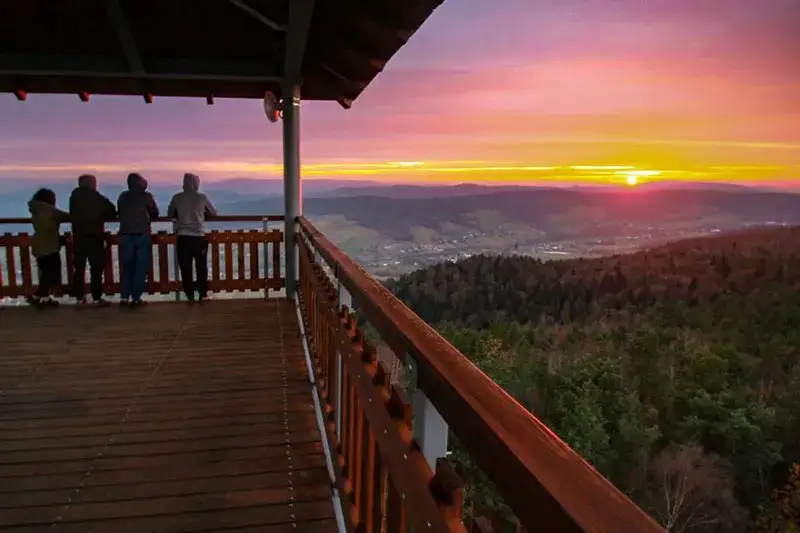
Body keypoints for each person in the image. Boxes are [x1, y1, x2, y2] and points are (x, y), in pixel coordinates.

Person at [167, 173, 217, 303]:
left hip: (182, 236)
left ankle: (189, 296)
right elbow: (214, 212)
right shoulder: (202, 198)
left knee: (185, 268)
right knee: (201, 267)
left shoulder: (177, 198)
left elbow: (170, 213)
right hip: (199, 237)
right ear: (196, 183)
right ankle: (202, 294)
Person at [68, 174, 116, 306]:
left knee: (79, 268)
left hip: (78, 237)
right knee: (96, 269)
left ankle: (79, 297)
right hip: (94, 237)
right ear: (92, 184)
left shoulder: (74, 198)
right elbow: (111, 210)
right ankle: (96, 297)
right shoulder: (97, 198)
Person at [117, 172, 159, 307]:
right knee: (140, 267)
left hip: (125, 234)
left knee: (127, 266)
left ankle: (124, 296)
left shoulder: (123, 197)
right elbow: (155, 213)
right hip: (141, 234)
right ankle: (136, 297)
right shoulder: (146, 196)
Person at [27, 188, 69, 308]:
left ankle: (44, 298)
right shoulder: (50, 210)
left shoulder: (36, 210)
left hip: (38, 245)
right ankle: (36, 297)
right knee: (50, 273)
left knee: (45, 272)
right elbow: (66, 216)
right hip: (49, 246)